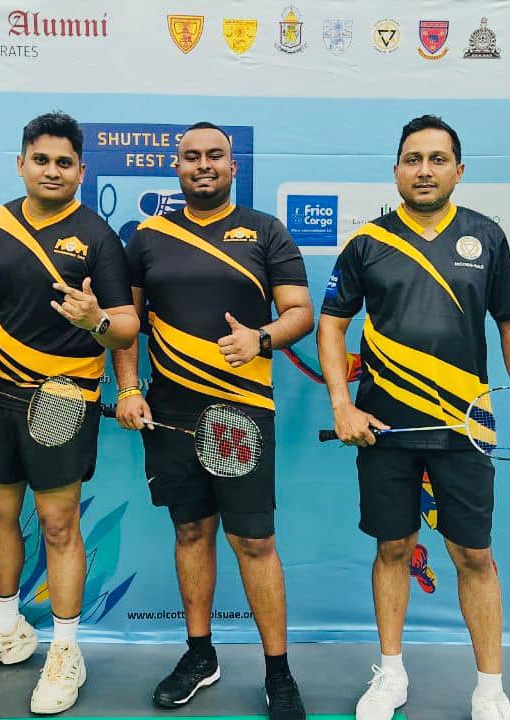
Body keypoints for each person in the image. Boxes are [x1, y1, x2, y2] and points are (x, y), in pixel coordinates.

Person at [317, 115, 510, 720]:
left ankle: (490, 689)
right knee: (393, 548)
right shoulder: (367, 242)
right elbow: (331, 323)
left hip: (465, 428)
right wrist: (342, 404)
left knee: (474, 556)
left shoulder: (486, 237)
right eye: (413, 159)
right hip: (384, 428)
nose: (424, 170)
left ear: (458, 170)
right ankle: (391, 674)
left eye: (437, 159)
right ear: (396, 170)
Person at [0, 112, 137, 715]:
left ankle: (66, 648)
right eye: (41, 160)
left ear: (82, 171)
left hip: (63, 401)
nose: (53, 171)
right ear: (20, 164)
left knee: (58, 524)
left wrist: (96, 320)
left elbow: (128, 326)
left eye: (64, 163)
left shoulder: (98, 237)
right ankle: (6, 629)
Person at [113, 122, 313, 719]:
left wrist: (262, 338)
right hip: (171, 414)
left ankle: (278, 672)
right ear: (177, 167)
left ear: (233, 166)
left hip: (242, 413)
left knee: (255, 542)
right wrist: (128, 388)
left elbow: (300, 312)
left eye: (215, 156)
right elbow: (126, 323)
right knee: (191, 533)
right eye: (191, 156)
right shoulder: (148, 237)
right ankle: (200, 656)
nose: (203, 164)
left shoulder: (267, 231)